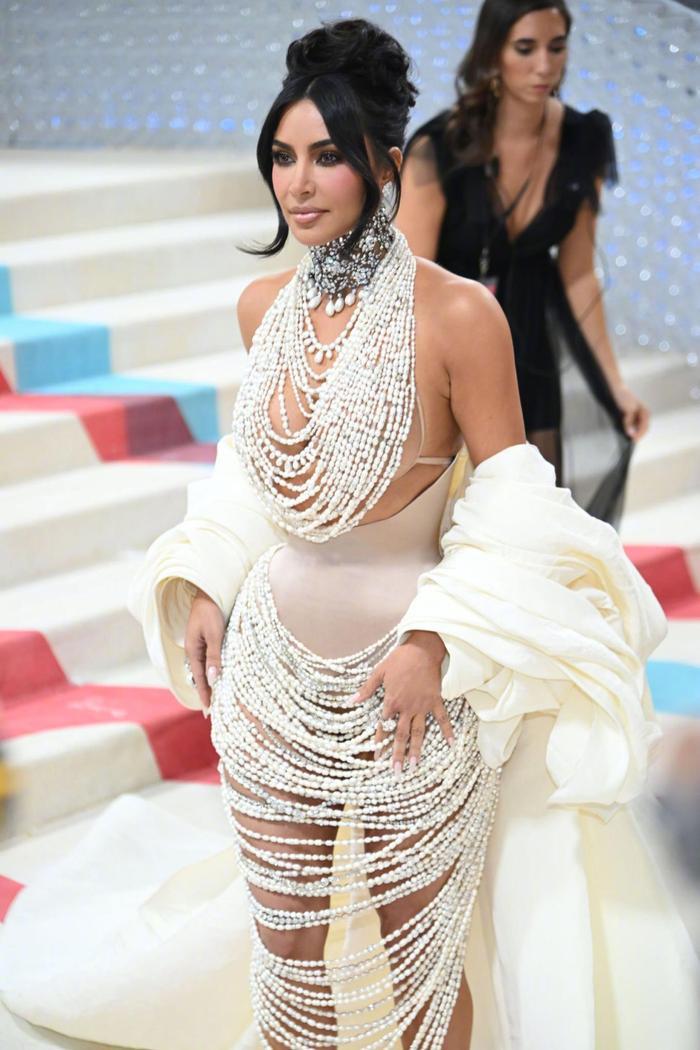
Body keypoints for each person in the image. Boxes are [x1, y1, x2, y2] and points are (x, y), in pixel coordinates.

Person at [1, 18, 697, 1050]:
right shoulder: (261, 308)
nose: (298, 182)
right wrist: (204, 577)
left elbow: (512, 504)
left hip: (412, 692)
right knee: (288, 963)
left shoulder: (458, 317)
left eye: (326, 155)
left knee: (420, 970)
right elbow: (261, 468)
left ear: (383, 163)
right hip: (270, 678)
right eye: (281, 156)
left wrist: (434, 644)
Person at [397, 0, 650, 525]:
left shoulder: (584, 139)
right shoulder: (440, 147)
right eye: (525, 48)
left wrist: (614, 381)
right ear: (493, 52)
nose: (544, 66)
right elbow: (409, 282)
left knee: (535, 509)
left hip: (532, 335)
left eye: (556, 48)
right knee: (461, 510)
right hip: (454, 336)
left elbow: (578, 271)